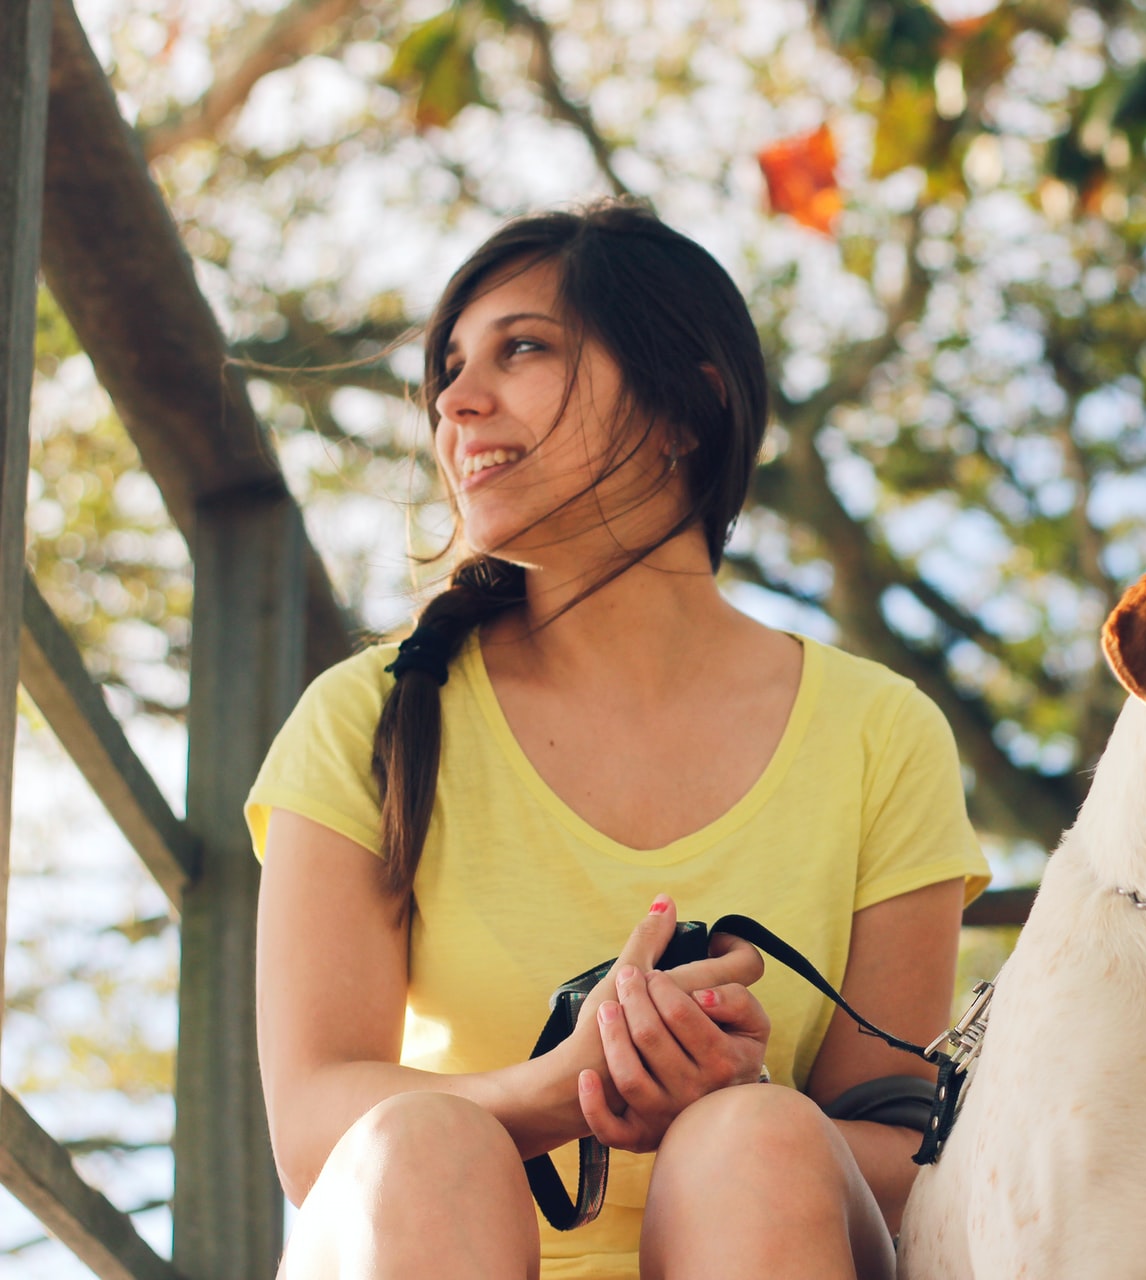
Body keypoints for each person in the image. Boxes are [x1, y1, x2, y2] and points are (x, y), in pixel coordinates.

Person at [248, 199, 990, 1280]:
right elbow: (314, 1130)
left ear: (689, 402)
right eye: (449, 369)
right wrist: (559, 1087)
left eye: (525, 347)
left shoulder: (881, 732)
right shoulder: (365, 716)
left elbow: (907, 1155)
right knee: (421, 1138)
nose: (456, 401)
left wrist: (728, 1098)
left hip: (768, 1240)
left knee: (756, 1139)